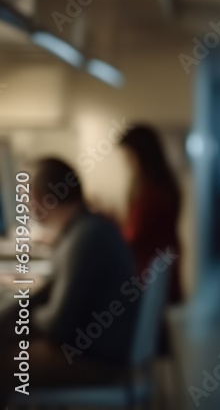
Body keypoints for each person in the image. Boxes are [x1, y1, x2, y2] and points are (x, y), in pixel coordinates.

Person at [1, 158, 139, 407]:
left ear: (43, 197)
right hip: (104, 350)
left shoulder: (85, 238)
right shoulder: (87, 229)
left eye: (28, 196)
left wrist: (17, 318)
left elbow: (57, 326)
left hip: (98, 361)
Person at [118, 124, 183, 304]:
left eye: (129, 157)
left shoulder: (151, 192)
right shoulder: (162, 185)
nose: (127, 163)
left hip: (146, 269)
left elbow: (134, 235)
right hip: (156, 267)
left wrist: (109, 223)